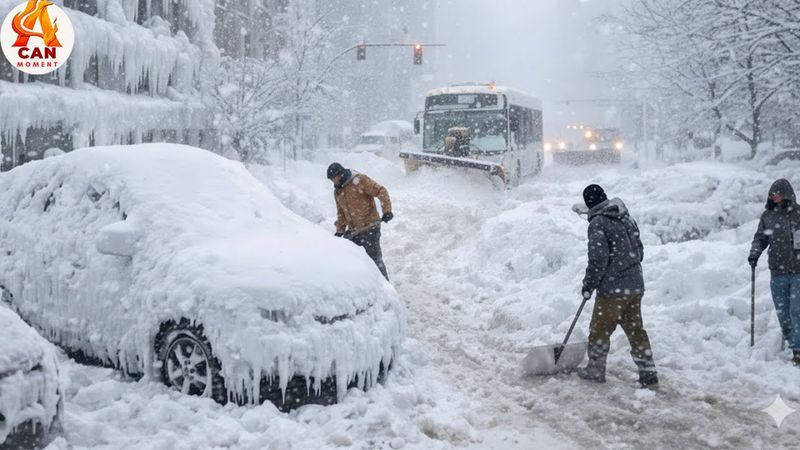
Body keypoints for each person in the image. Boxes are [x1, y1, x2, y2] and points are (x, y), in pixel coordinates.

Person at [578, 184, 659, 389]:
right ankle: (648, 372)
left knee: (599, 329)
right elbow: (639, 250)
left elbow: (598, 259)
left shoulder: (598, 223)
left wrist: (589, 284)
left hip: (613, 290)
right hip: (635, 286)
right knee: (635, 330)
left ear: (590, 204)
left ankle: (595, 369)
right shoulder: (625, 217)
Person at [749, 179, 800, 365]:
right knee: (783, 313)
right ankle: (792, 339)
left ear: (786, 194)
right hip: (777, 272)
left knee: (797, 310)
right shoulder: (768, 216)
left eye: (778, 193)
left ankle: (798, 349)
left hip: (798, 271)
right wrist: (754, 253)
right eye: (772, 194)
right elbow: (760, 238)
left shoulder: (798, 214)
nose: (775, 197)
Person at [327, 162, 393, 280]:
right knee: (358, 264)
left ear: (340, 174)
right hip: (354, 232)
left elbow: (381, 191)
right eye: (331, 180)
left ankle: (386, 288)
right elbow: (341, 212)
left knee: (375, 260)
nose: (333, 181)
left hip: (370, 227)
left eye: (334, 178)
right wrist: (340, 230)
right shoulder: (338, 191)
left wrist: (387, 211)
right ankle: (366, 288)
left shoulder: (360, 180)